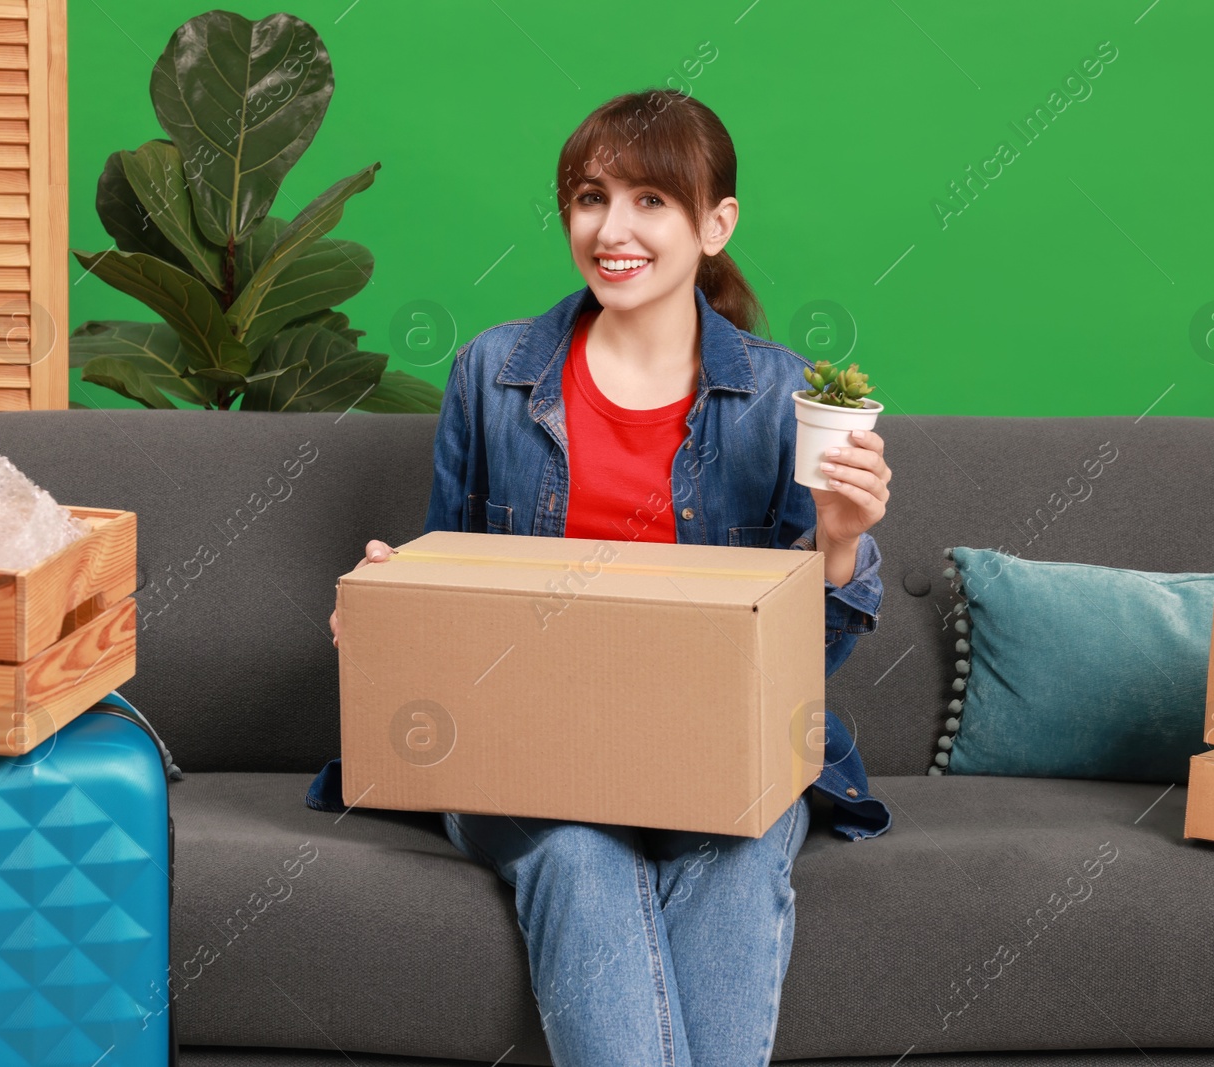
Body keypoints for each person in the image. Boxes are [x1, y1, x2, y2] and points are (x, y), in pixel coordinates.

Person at [308, 88, 893, 1065]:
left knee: (742, 852)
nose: (612, 229)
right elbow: (447, 568)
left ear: (715, 224)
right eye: (589, 197)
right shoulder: (490, 373)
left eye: (651, 200)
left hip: (719, 751)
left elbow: (804, 661)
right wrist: (389, 606)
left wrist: (836, 544)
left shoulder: (781, 400)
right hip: (519, 748)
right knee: (576, 853)